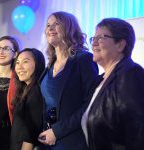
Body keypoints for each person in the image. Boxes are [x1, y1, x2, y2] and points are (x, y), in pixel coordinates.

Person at [81, 18, 144, 150]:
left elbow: (142, 139)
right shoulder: (101, 81)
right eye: (94, 38)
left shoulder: (134, 77)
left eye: (101, 37)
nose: (94, 43)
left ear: (120, 45)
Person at [38, 11, 100, 150]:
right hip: (48, 141)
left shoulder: (84, 59)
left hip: (73, 141)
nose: (50, 28)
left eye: (56, 24)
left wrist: (57, 131)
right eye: (48, 25)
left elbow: (91, 104)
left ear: (69, 28)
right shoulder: (49, 65)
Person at [10, 48, 45, 150]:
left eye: (25, 62)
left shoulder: (35, 92)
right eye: (17, 63)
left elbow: (30, 136)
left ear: (37, 64)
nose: (19, 67)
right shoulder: (26, 91)